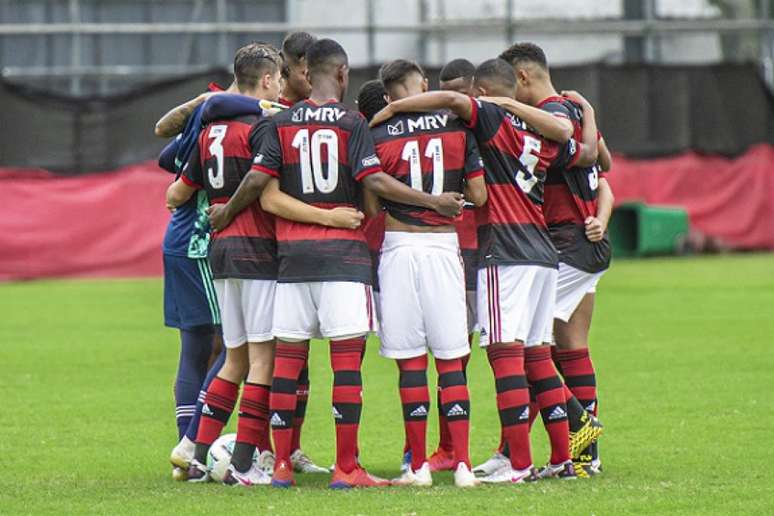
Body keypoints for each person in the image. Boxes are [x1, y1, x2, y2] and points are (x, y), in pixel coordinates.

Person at [369, 57, 598, 483]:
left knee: (504, 354)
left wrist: (397, 108)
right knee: (537, 355)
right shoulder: (541, 127)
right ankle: (563, 457)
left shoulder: (490, 116)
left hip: (506, 250)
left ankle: (519, 463)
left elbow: (455, 100)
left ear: (485, 92)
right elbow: (579, 146)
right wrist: (584, 112)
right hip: (543, 252)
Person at [249, 38, 464, 489]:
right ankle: (347, 467)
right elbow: (371, 192)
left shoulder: (282, 121)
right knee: (346, 365)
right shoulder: (352, 122)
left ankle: (282, 465)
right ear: (343, 74)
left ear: (306, 74)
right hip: (342, 259)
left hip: (292, 262)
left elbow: (268, 196)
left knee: (287, 364)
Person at [165, 43, 364, 485]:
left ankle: (197, 457)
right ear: (271, 81)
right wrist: (239, 207)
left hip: (219, 253)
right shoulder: (261, 126)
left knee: (234, 359)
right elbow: (261, 182)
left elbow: (175, 193)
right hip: (256, 251)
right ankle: (242, 466)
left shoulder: (210, 129)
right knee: (262, 362)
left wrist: (218, 207)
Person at [370, 59, 487, 488]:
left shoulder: (378, 130)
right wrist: (444, 200)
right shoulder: (459, 129)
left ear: (388, 96)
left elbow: (372, 195)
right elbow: (478, 193)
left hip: (399, 248)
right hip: (443, 248)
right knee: (452, 359)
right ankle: (464, 466)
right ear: (423, 84)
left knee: (410, 362)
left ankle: (417, 466)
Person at [499, 42, 613, 476]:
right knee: (571, 346)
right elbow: (605, 167)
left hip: (566, 243)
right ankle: (585, 458)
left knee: (530, 346)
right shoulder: (573, 108)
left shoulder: (553, 114)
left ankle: (575, 430)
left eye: (511, 85)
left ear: (523, 78)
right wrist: (591, 113)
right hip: (586, 244)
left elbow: (586, 157)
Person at [155, 56, 236, 482]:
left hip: (185, 242)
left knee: (201, 347)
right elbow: (169, 156)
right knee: (232, 345)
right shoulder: (225, 126)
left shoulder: (206, 127)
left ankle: (190, 449)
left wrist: (203, 107)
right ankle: (193, 444)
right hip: (198, 244)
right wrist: (206, 102)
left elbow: (166, 151)